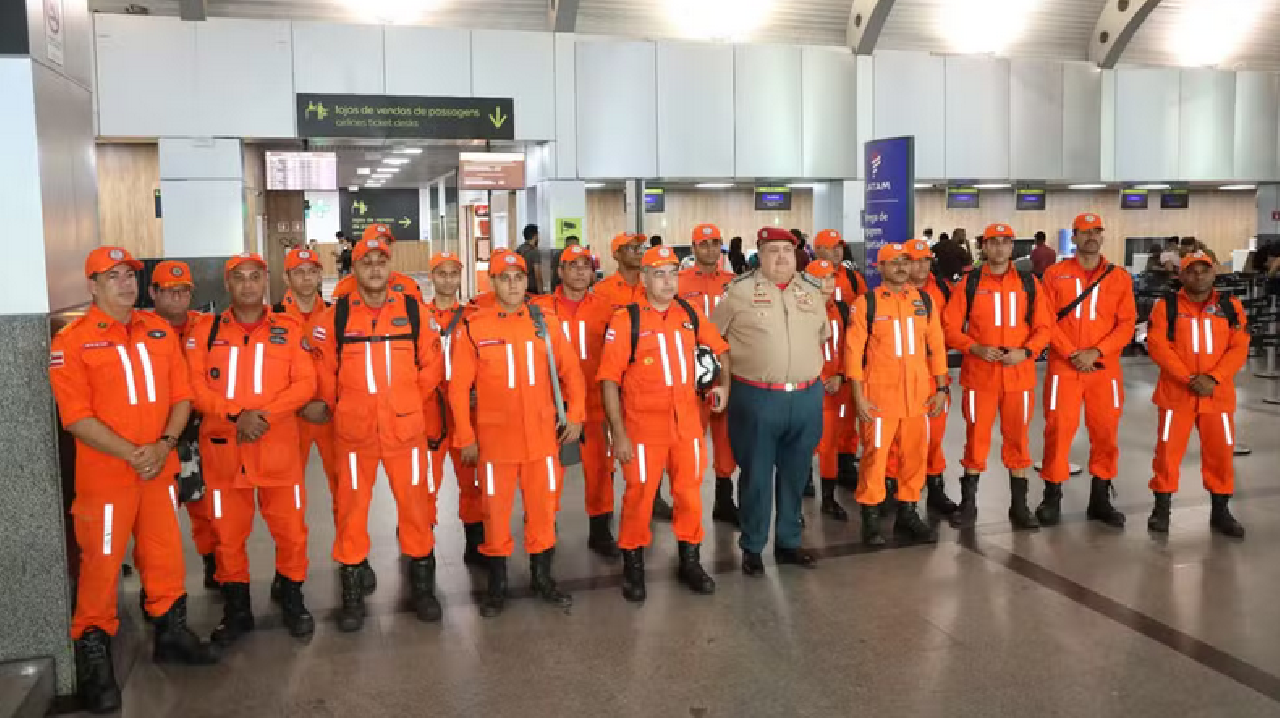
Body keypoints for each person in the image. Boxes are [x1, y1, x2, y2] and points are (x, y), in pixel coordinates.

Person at [50, 247, 217, 714]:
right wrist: (131, 453)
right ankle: (94, 661)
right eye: (113, 276)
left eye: (131, 274)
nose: (126, 283)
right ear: (93, 285)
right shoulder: (73, 341)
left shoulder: (159, 331)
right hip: (106, 478)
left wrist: (163, 445)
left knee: (164, 556)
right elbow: (76, 418)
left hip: (158, 468)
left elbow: (182, 397)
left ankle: (171, 632)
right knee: (101, 568)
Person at [308, 235, 446, 631]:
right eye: (365, 262)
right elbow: (324, 372)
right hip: (354, 435)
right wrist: (347, 407)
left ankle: (422, 588)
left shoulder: (414, 312)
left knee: (416, 509)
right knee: (352, 513)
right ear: (354, 269)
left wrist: (403, 402)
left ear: (390, 267)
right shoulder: (336, 316)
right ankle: (351, 595)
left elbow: (432, 366)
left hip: (406, 432)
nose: (374, 268)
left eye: (380, 261)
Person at [185, 253, 318, 644]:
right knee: (228, 535)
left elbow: (305, 383)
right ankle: (237, 609)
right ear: (227, 284)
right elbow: (194, 387)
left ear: (267, 282)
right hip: (225, 452)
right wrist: (234, 415)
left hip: (277, 449)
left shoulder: (290, 329)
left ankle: (293, 598)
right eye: (239, 278)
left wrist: (262, 416)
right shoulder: (205, 331)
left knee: (291, 532)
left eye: (255, 277)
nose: (247, 285)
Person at [449, 251, 585, 617]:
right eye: (504, 278)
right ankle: (497, 586)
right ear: (491, 282)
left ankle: (543, 579)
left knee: (543, 511)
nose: (512, 285)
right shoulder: (474, 326)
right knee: (494, 514)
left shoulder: (545, 323)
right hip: (495, 442)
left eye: (518, 278)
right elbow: (458, 388)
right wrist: (467, 438)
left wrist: (575, 415)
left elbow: (571, 372)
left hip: (543, 439)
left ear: (527, 282)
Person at [599, 245, 728, 601]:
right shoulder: (627, 320)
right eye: (659, 273)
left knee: (689, 496)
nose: (668, 281)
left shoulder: (689, 313)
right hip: (642, 430)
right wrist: (619, 434)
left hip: (687, 427)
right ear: (643, 278)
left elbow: (719, 349)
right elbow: (609, 379)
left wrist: (723, 386)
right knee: (639, 498)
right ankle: (634, 567)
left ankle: (690, 560)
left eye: (673, 273)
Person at [712, 227, 829, 574]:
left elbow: (820, 336)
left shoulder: (811, 292)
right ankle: (752, 545)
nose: (781, 258)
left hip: (806, 396)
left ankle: (789, 542)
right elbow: (713, 341)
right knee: (757, 476)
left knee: (796, 475)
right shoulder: (738, 293)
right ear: (759, 255)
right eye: (773, 250)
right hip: (757, 398)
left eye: (788, 251)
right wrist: (723, 384)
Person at [942, 225, 1052, 530]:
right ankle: (968, 504)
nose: (1000, 248)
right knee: (976, 439)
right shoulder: (970, 283)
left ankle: (1019, 506)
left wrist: (1026, 352)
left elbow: (1045, 328)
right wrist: (974, 347)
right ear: (984, 247)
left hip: (1019, 377)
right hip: (980, 377)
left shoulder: (1029, 283)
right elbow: (949, 327)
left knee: (1018, 441)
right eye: (994, 242)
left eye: (1006, 242)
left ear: (1013, 247)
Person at [845, 242, 949, 547]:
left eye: (906, 261)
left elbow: (937, 346)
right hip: (879, 398)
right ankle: (871, 518)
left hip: (918, 398)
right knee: (875, 460)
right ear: (880, 268)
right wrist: (858, 396)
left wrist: (941, 387)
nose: (902, 267)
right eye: (894, 262)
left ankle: (908, 513)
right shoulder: (867, 304)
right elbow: (853, 353)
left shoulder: (925, 301)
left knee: (914, 458)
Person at [1037, 213, 1137, 528]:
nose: (1091, 236)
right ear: (1075, 237)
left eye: (1097, 231)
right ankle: (1051, 497)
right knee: (1058, 431)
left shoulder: (1119, 277)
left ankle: (1101, 499)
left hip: (1103, 370)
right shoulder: (1055, 275)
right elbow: (1046, 321)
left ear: (1102, 236)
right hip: (1064, 368)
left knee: (1105, 433)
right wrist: (1071, 353)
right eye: (1084, 232)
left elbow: (1126, 325)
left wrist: (1096, 352)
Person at [1146, 252, 1249, 537]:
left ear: (1214, 273)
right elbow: (1157, 345)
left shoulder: (1230, 307)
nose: (1199, 276)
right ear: (1181, 275)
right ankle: (1161, 510)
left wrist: (1214, 378)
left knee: (1221, 454)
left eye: (1205, 270)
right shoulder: (1165, 306)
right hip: (1176, 394)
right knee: (1167, 453)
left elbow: (1239, 347)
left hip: (1218, 395)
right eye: (1192, 271)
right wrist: (1188, 378)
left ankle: (1221, 510)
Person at [531, 245, 620, 558]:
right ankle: (545, 530)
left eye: (586, 266)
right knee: (549, 473)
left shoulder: (607, 308)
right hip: (551, 407)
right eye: (573, 266)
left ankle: (599, 530)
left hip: (596, 405)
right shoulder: (539, 308)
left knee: (600, 470)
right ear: (560, 271)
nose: (581, 272)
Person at [595, 231, 676, 518]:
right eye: (628, 248)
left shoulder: (651, 288)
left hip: (646, 383)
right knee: (613, 451)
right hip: (615, 380)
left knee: (652, 447)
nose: (636, 251)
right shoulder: (602, 292)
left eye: (639, 247)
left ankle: (652, 497)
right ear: (615, 255)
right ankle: (609, 513)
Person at [148, 260, 218, 591]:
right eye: (169, 291)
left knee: (205, 507)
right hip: (156, 437)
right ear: (153, 293)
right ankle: (158, 589)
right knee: (156, 519)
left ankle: (213, 563)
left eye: (184, 291)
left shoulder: (207, 326)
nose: (177, 298)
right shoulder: (140, 329)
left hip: (199, 431)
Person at [883, 239, 958, 518]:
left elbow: (948, 333)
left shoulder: (942, 292)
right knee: (896, 441)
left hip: (933, 379)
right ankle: (892, 490)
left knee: (934, 437)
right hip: (898, 380)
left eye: (926, 260)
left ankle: (935, 488)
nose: (921, 266)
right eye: (915, 260)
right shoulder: (885, 296)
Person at [422, 251, 486, 565]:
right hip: (430, 411)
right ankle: (423, 550)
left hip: (466, 413)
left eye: (453, 273)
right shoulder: (419, 317)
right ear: (431, 277)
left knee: (471, 479)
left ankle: (475, 542)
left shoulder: (474, 316)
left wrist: (478, 392)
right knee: (426, 482)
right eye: (441, 273)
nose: (448, 279)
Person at [677, 224, 740, 525]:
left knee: (726, 439)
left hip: (727, 373)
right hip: (692, 378)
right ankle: (687, 504)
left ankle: (724, 500)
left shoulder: (734, 283)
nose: (711, 249)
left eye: (716, 243)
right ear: (693, 248)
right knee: (691, 441)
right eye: (704, 244)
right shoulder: (677, 284)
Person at [274, 249, 339, 524]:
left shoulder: (337, 316)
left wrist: (330, 402)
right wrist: (299, 406)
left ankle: (351, 556)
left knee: (344, 486)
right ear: (286, 278)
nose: (306, 278)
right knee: (289, 493)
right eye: (299, 272)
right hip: (290, 418)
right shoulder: (273, 319)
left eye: (312, 271)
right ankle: (293, 565)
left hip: (330, 414)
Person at [811, 229, 866, 490]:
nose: (837, 251)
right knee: (814, 429)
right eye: (831, 247)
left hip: (843, 369)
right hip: (815, 378)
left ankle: (845, 464)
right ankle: (808, 478)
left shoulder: (853, 280)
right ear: (818, 249)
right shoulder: (804, 289)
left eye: (839, 247)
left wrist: (845, 372)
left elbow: (861, 324)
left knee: (846, 421)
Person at [804, 259, 851, 521]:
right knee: (802, 447)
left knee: (830, 446)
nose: (827, 284)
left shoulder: (841, 310)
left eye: (831, 278)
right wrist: (821, 378)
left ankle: (829, 498)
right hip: (808, 391)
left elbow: (850, 347)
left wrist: (841, 375)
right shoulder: (798, 313)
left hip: (835, 390)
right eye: (821, 278)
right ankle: (798, 496)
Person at [332, 224, 423, 302]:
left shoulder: (409, 285)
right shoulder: (344, 288)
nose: (383, 247)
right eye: (377, 241)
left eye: (387, 243)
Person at [517, 223, 543, 295]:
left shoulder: (518, 250)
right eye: (538, 235)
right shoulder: (534, 252)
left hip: (520, 288)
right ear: (535, 236)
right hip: (532, 290)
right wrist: (541, 295)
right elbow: (538, 276)